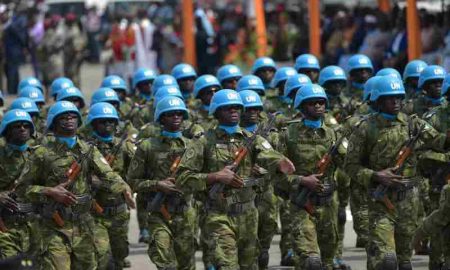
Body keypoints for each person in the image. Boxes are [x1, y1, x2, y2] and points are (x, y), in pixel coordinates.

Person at [176, 89, 294, 269]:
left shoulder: (252, 139)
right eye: (227, 108)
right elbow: (182, 178)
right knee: (227, 265)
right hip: (218, 215)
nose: (233, 111)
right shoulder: (203, 142)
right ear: (216, 112)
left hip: (248, 215)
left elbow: (268, 154)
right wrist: (215, 176)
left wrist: (279, 162)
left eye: (237, 108)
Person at [15, 101, 135, 270]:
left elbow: (108, 174)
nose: (70, 120)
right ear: (54, 123)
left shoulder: (88, 150)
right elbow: (21, 189)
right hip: (53, 226)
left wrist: (124, 188)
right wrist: (49, 191)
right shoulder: (41, 153)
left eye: (73, 116)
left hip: (83, 226)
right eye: (64, 117)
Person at [345, 76, 449, 270]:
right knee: (386, 260)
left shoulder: (413, 124)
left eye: (398, 98)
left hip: (409, 201)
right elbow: (350, 166)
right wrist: (376, 175)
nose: (396, 102)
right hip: (380, 202)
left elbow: (439, 142)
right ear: (378, 100)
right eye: (389, 98)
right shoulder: (365, 128)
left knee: (404, 261)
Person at [276, 84, 344, 270]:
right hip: (301, 204)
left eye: (321, 102)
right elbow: (277, 177)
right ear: (302, 106)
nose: (318, 106)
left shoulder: (334, 135)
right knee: (310, 260)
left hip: (328, 204)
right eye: (312, 103)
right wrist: (301, 180)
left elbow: (350, 165)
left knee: (328, 262)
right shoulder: (287, 135)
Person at [128, 96, 197, 270]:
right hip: (158, 212)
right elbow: (133, 182)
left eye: (179, 114)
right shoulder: (147, 147)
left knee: (186, 264)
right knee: (165, 262)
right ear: (161, 118)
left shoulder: (193, 146)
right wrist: (157, 185)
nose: (176, 117)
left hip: (185, 214)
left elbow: (205, 177)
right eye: (170, 114)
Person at [83, 102, 134, 269]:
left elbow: (135, 172)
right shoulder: (85, 148)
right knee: (102, 256)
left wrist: (127, 187)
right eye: (102, 122)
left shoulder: (124, 146)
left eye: (110, 122)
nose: (107, 125)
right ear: (94, 124)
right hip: (95, 212)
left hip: (118, 210)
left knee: (120, 255)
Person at [238, 90, 279, 270]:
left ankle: (263, 249)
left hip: (266, 185)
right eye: (248, 109)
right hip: (242, 189)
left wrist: (263, 169)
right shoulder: (233, 134)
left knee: (268, 221)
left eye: (256, 109)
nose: (253, 112)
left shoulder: (271, 134)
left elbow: (279, 159)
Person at [0, 109, 38, 259]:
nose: (22, 129)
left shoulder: (40, 154)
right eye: (17, 126)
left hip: (35, 223)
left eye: (26, 126)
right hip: (6, 224)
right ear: (7, 131)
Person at [63, 13, 87, 86]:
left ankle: (75, 90)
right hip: (71, 56)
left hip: (74, 57)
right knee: (70, 74)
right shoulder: (70, 29)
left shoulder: (74, 30)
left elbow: (76, 47)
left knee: (73, 75)